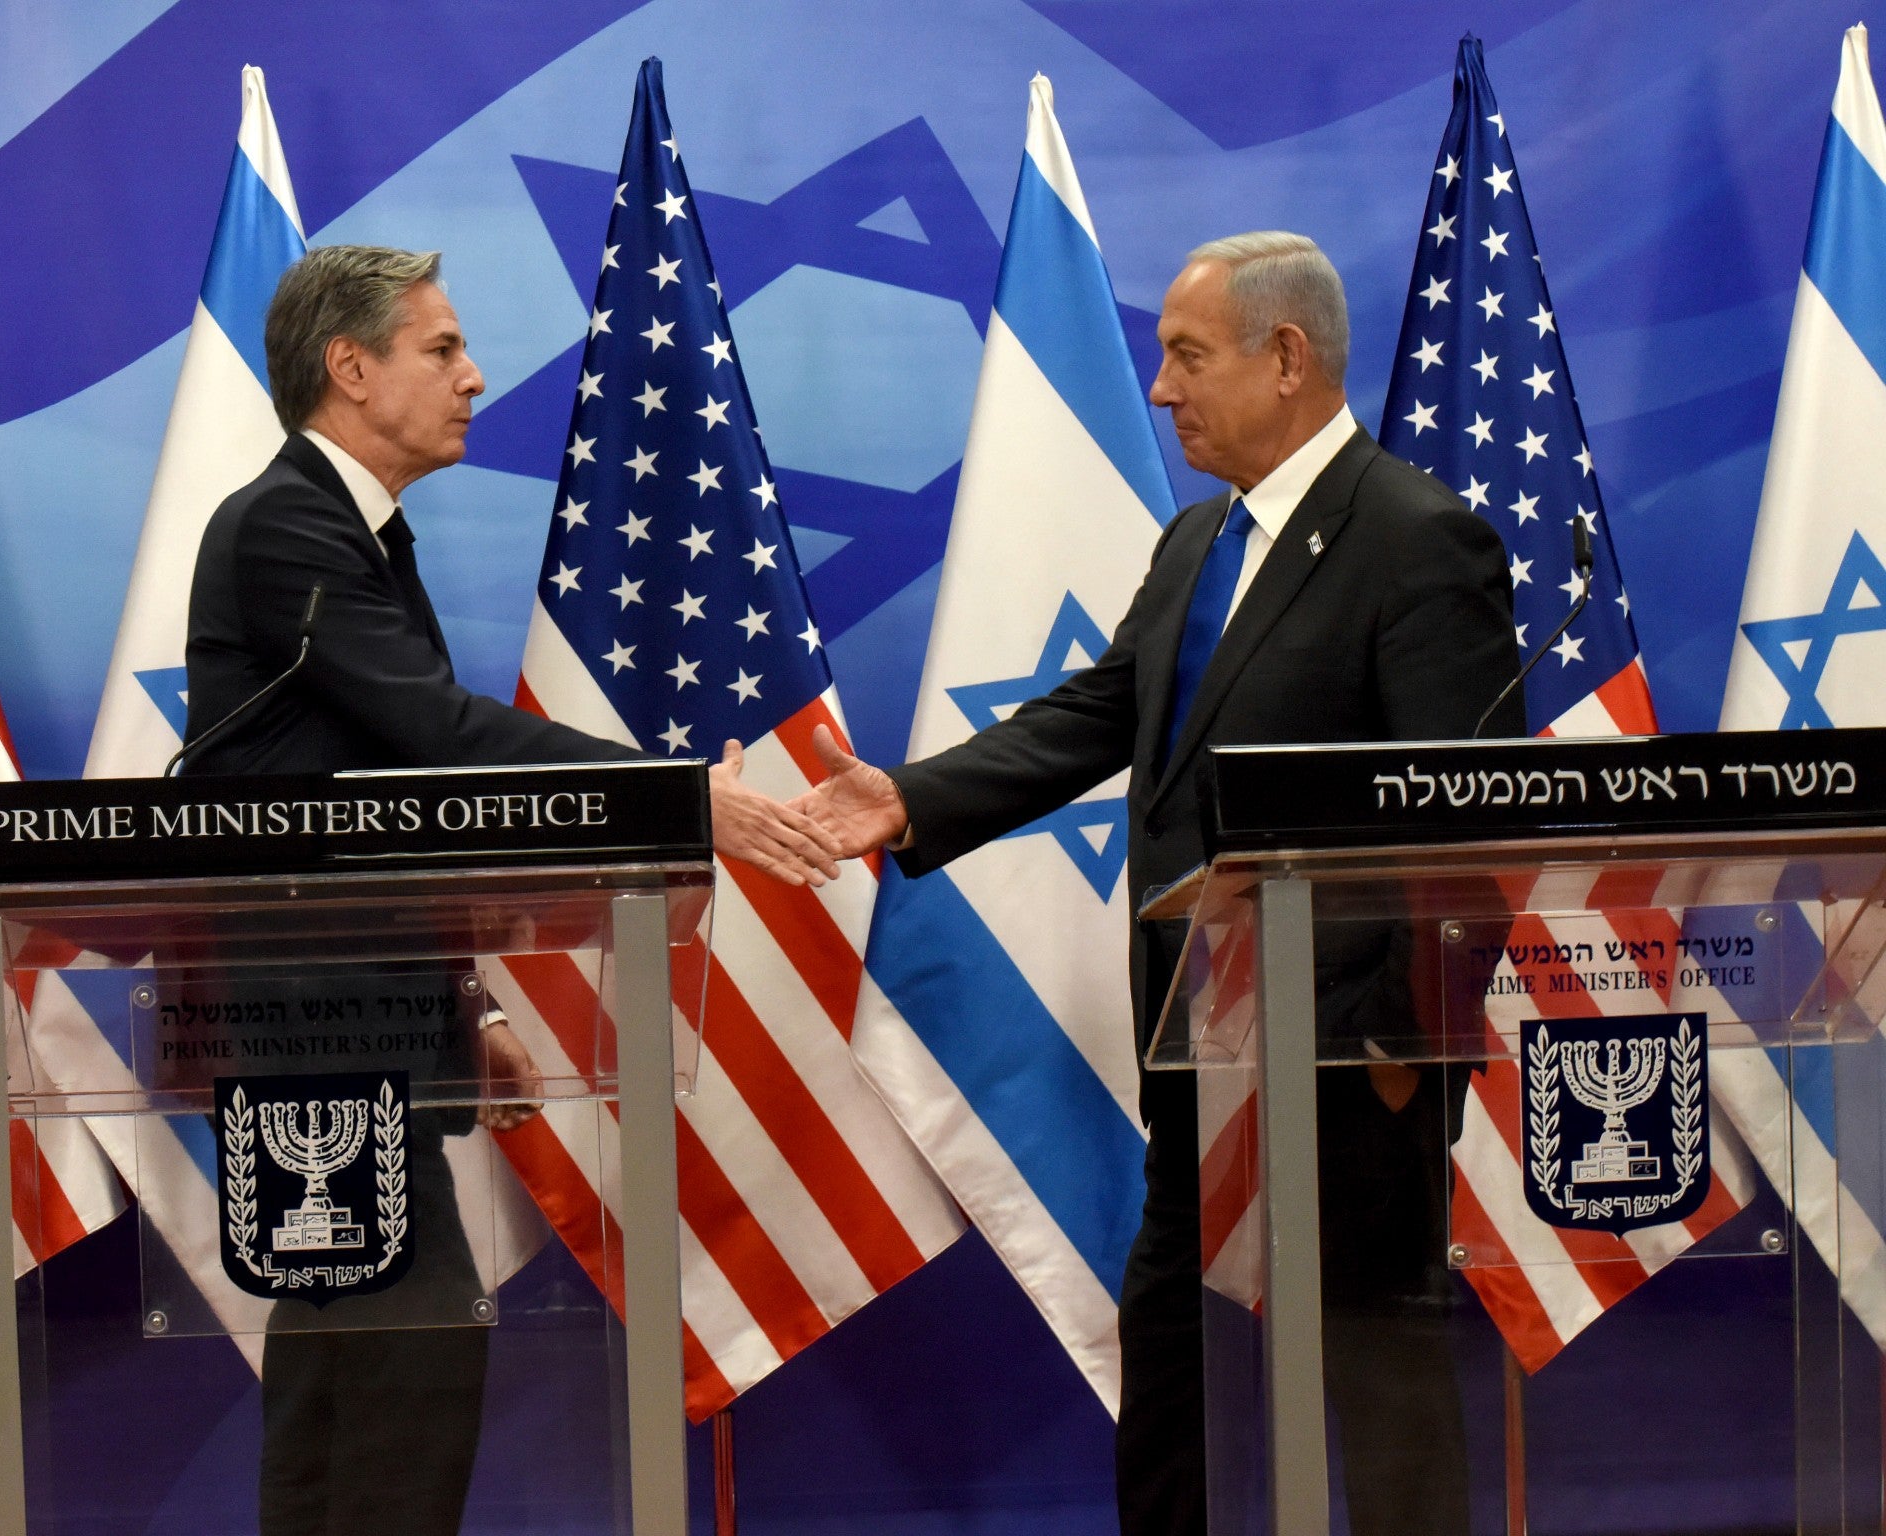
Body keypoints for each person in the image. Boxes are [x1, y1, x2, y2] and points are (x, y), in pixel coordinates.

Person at [791, 231, 1523, 1536]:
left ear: (1285, 357)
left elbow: (1463, 834)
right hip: (1202, 1049)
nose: (1166, 389)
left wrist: (1400, 1049)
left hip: (1354, 1071)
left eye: (1188, 357)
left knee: (1378, 1377)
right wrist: (914, 797)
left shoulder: (1418, 541)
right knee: (1174, 1361)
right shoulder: (1198, 541)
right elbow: (1103, 711)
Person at [180, 243, 840, 1536]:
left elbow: (385, 803)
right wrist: (674, 797)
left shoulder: (361, 536)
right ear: (350, 369)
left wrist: (461, 1012)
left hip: (360, 1027)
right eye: (441, 349)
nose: (475, 377)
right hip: (310, 1036)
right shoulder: (286, 523)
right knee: (404, 1368)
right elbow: (436, 734)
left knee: (340, 1379)